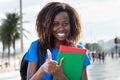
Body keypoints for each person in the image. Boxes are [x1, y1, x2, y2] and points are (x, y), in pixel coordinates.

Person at [24, 2, 90, 80]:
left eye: (65, 24)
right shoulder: (36, 47)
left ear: (72, 25)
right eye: (55, 24)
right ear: (47, 25)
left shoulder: (79, 51)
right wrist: (42, 69)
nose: (61, 28)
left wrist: (60, 76)